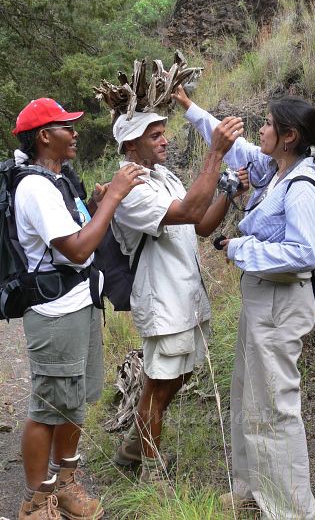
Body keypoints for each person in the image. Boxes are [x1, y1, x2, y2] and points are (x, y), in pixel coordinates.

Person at [175, 86, 315, 520]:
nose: (260, 130)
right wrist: (191, 108)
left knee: (276, 405)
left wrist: (239, 249)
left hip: (281, 302)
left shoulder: (303, 185)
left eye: (267, 124)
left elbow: (304, 252)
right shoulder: (275, 169)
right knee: (249, 393)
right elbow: (235, 148)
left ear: (288, 136)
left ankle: (290, 511)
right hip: (262, 298)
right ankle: (253, 489)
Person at [12, 97, 144, 520]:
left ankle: (64, 483)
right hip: (55, 313)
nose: (75, 132)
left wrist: (102, 198)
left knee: (72, 401)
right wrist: (116, 196)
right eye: (66, 126)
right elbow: (76, 247)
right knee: (47, 406)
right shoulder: (34, 186)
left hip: (78, 305)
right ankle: (36, 500)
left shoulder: (58, 179)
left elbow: (80, 227)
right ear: (44, 136)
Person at [109, 109, 245, 490]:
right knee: (158, 384)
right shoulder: (130, 188)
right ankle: (152, 473)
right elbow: (185, 210)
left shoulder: (162, 175)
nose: (165, 140)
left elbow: (199, 223)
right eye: (155, 136)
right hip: (164, 301)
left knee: (177, 376)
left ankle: (134, 448)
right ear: (131, 145)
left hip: (186, 297)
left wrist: (228, 192)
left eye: (163, 133)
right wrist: (215, 154)